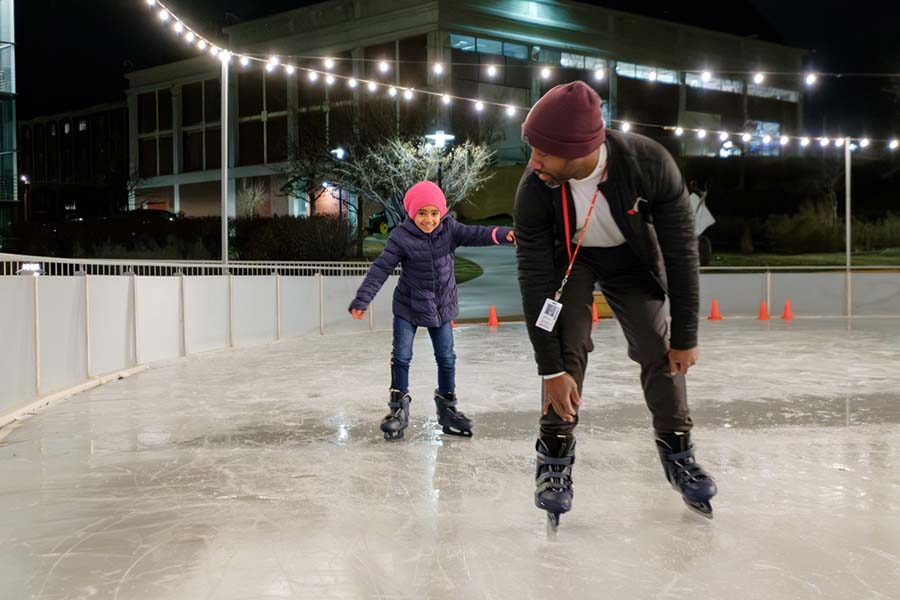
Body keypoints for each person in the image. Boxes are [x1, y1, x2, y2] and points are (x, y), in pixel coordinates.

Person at [513, 81, 717, 525]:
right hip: (569, 259)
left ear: (577, 149)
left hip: (631, 261)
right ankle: (554, 457)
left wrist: (685, 334)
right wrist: (549, 368)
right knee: (569, 346)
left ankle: (678, 450)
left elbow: (682, 252)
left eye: (542, 152)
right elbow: (533, 278)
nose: (533, 162)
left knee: (656, 346)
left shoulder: (649, 164)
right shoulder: (534, 188)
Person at [350, 180, 516, 441]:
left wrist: (503, 233)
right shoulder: (401, 237)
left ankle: (448, 408)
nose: (429, 220)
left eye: (434, 213)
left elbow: (477, 234)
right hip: (408, 305)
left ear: (442, 213)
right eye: (422, 213)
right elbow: (381, 268)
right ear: (412, 213)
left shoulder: (449, 230)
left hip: (440, 305)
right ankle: (397, 410)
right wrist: (363, 298)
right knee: (402, 356)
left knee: (447, 358)